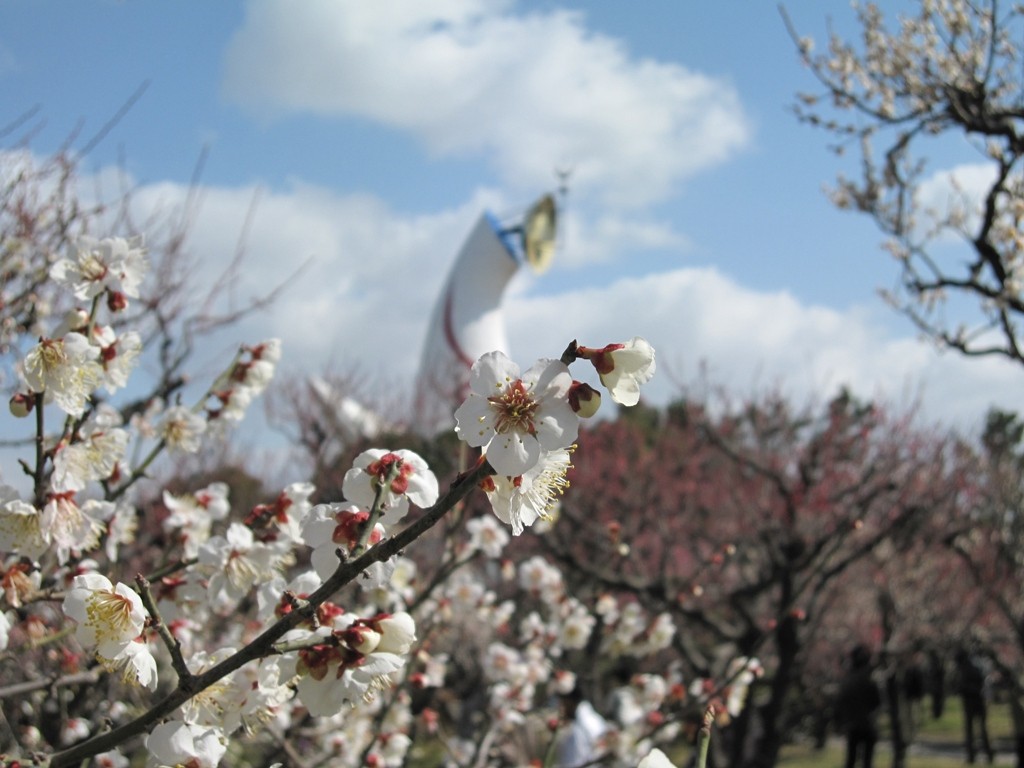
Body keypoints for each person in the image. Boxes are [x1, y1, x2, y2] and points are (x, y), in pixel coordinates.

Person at [835, 645, 882, 768]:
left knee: (850, 759)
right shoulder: (870, 678)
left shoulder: (847, 679)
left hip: (852, 724)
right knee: (867, 761)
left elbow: (840, 702)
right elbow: (878, 702)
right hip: (868, 723)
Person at [955, 648, 995, 764]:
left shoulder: (967, 669)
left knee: (974, 731)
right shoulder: (973, 666)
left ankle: (974, 756)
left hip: (972, 701)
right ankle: (986, 754)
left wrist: (963, 689)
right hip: (977, 701)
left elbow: (968, 685)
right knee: (981, 730)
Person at [557, 687, 607, 768]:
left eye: (563, 703)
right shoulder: (577, 722)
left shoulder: (589, 720)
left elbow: (599, 747)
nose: (561, 708)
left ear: (570, 701)